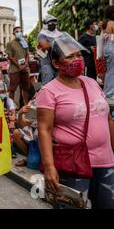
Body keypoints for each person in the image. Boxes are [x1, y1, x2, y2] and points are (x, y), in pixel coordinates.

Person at [36, 34, 114, 209]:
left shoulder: (92, 83)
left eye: (78, 55)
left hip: (106, 163)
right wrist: (49, 167)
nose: (77, 59)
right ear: (56, 64)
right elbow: (44, 129)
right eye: (70, 56)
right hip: (74, 167)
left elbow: (108, 118)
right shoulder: (49, 92)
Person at [6, 26, 31, 105]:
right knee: (12, 89)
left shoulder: (24, 42)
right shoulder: (10, 43)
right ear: (13, 33)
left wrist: (26, 64)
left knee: (26, 88)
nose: (19, 33)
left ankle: (26, 105)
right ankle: (11, 107)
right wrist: (18, 65)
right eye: (17, 31)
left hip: (24, 68)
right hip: (14, 69)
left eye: (20, 31)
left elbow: (27, 55)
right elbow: (10, 56)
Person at [37, 15, 63, 85]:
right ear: (45, 25)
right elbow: (45, 46)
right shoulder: (42, 35)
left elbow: (66, 45)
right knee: (47, 82)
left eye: (54, 22)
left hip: (59, 61)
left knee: (60, 83)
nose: (53, 24)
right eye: (50, 23)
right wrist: (58, 42)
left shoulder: (60, 34)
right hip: (47, 62)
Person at [102, 6, 114, 99]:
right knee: (112, 71)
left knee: (110, 70)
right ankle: (109, 93)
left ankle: (108, 92)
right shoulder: (111, 22)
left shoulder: (105, 22)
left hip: (107, 47)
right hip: (111, 47)